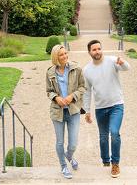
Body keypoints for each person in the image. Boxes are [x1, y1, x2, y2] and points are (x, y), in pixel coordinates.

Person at [83, 39, 130, 178]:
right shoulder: (87, 70)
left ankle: (115, 164)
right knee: (103, 137)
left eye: (99, 49)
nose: (97, 51)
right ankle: (105, 160)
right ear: (89, 52)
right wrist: (87, 110)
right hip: (100, 108)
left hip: (116, 105)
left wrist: (123, 62)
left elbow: (127, 68)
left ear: (101, 49)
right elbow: (87, 92)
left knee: (114, 133)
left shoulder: (112, 60)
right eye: (94, 49)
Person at [46, 44, 86, 179]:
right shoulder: (50, 72)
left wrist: (71, 96)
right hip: (57, 112)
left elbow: (82, 87)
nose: (64, 56)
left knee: (73, 143)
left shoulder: (76, 69)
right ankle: (63, 166)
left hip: (73, 110)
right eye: (61, 55)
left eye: (65, 53)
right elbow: (48, 92)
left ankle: (69, 156)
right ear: (55, 57)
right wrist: (56, 98)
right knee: (59, 142)